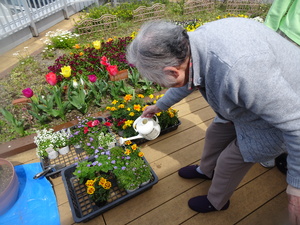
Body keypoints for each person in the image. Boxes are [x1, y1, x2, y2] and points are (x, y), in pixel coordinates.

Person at [126, 18, 300, 224]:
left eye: (159, 82)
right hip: (251, 102)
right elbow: (187, 79)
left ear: (171, 71)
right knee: (214, 134)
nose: (161, 85)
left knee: (229, 161)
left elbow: (295, 124)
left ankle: (217, 201)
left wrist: (295, 186)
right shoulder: (192, 45)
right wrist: (159, 106)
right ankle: (205, 171)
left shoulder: (241, 70)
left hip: (282, 114)